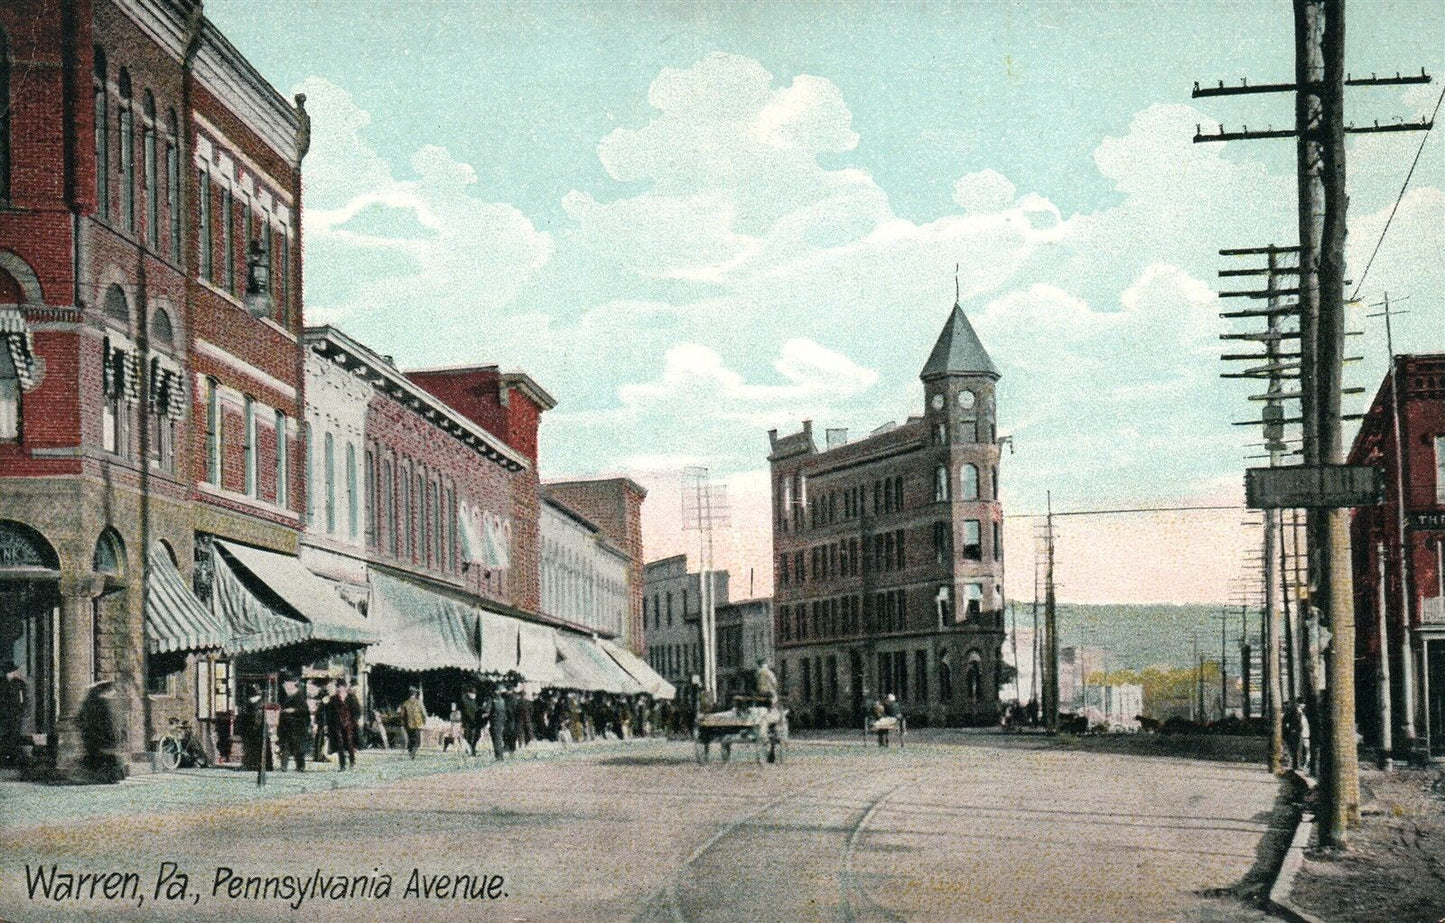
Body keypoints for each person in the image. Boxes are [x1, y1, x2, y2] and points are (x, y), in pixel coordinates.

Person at [76, 680, 125, 782]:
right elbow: (109, 721)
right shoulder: (103, 702)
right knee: (106, 756)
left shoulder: (88, 702)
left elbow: (79, 719)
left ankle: (101, 776)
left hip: (92, 735)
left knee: (99, 756)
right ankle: (109, 777)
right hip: (102, 735)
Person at [277, 676, 310, 772]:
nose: (286, 684)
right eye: (286, 682)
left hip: (298, 725)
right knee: (285, 746)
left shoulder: (299, 695)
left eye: (288, 682)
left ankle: (300, 766)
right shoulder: (284, 694)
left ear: (293, 683)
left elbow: (305, 711)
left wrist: (294, 710)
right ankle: (284, 766)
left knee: (298, 747)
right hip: (286, 724)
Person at [238, 685, 272, 772]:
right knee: (262, 747)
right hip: (260, 728)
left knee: (252, 747)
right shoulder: (262, 702)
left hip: (254, 727)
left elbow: (256, 716)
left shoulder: (252, 702)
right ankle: (264, 765)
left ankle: (252, 764)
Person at [326, 679, 358, 771]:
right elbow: (329, 713)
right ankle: (342, 765)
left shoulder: (351, 697)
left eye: (340, 687)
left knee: (349, 743)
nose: (339, 689)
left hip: (349, 724)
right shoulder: (333, 699)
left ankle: (352, 761)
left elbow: (356, 711)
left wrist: (353, 722)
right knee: (340, 744)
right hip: (337, 725)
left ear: (344, 687)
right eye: (337, 687)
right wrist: (329, 724)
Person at [0, 662, 27, 768]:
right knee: (4, 736)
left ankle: (12, 760)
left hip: (14, 714)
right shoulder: (2, 683)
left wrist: (21, 710)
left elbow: (23, 699)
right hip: (4, 714)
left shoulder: (19, 683)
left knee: (14, 736)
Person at [399, 687, 426, 759]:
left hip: (408, 724)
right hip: (418, 724)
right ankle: (412, 753)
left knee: (410, 739)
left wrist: (403, 723)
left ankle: (411, 753)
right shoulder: (419, 703)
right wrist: (424, 721)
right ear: (415, 694)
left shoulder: (405, 703)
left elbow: (401, 715)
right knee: (417, 741)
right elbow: (424, 714)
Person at [311, 679, 332, 763]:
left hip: (319, 719)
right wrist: (325, 722)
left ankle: (318, 755)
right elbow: (324, 710)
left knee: (318, 738)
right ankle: (319, 756)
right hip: (323, 720)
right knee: (321, 738)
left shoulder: (319, 694)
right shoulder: (325, 695)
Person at [488, 686, 509, 761]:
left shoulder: (492, 700)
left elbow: (487, 711)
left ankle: (499, 756)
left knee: (496, 739)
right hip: (500, 722)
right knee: (499, 738)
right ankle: (500, 755)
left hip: (494, 722)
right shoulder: (502, 701)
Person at [459, 688, 482, 756]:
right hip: (468, 722)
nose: (474, 695)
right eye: (472, 693)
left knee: (477, 736)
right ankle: (471, 751)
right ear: (468, 693)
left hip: (476, 722)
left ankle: (472, 749)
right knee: (470, 737)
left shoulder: (475, 701)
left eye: (474, 694)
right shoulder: (465, 701)